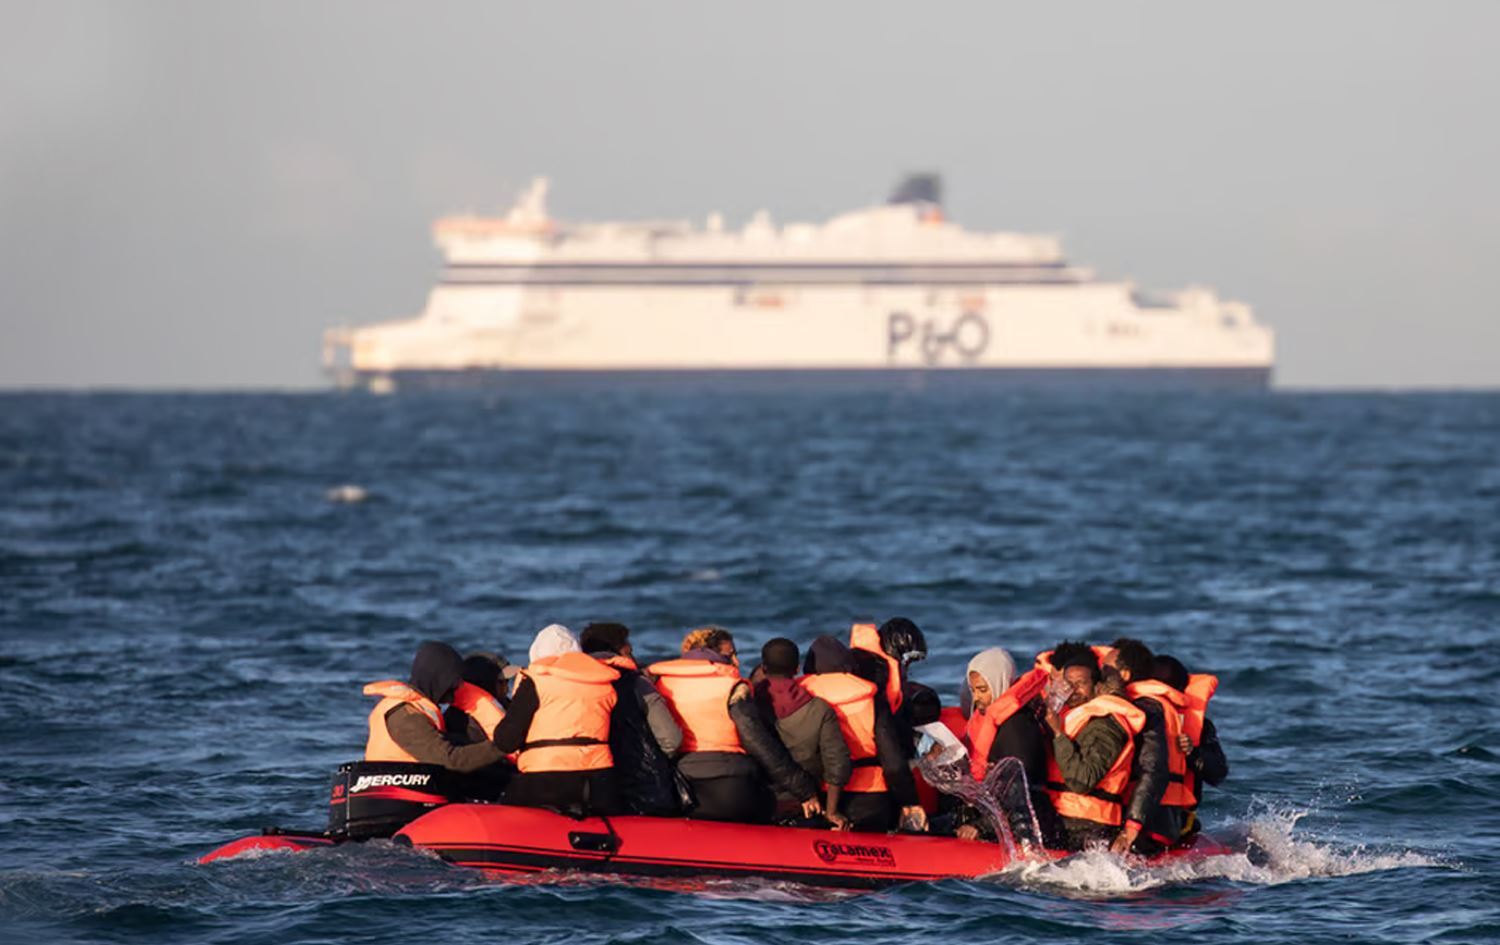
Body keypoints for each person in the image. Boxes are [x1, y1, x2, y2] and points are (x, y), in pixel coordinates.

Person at [649, 628, 819, 823]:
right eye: (730, 655)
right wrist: (804, 791)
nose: (736, 662)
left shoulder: (660, 683)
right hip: (733, 790)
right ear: (711, 654)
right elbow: (758, 743)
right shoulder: (732, 686)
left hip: (682, 791)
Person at [490, 626, 624, 816]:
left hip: (545, 783)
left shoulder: (536, 682)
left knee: (504, 804)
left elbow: (506, 741)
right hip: (599, 783)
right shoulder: (605, 682)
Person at [801, 635, 926, 833]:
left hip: (820, 796)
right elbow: (893, 763)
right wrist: (909, 803)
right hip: (871, 798)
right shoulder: (871, 699)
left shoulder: (801, 698)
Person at [1041, 641, 1146, 851]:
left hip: (1089, 828)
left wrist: (1059, 734)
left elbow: (1082, 780)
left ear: (1097, 687)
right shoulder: (1072, 717)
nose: (1073, 691)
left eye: (1081, 684)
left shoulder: (1107, 725)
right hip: (1065, 820)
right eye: (1068, 684)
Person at [953, 648, 1059, 845]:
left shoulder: (1017, 726)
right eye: (973, 690)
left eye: (982, 690)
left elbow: (1020, 793)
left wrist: (980, 826)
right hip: (999, 817)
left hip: (1028, 827)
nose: (976, 698)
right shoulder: (991, 721)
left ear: (999, 682)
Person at [579, 621, 685, 816]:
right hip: (643, 792)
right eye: (630, 652)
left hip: (590, 792)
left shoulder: (572, 684)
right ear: (619, 651)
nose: (634, 658)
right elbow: (672, 740)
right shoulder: (638, 684)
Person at [362, 640, 508, 772]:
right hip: (395, 785)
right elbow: (450, 760)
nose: (457, 690)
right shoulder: (405, 714)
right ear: (438, 680)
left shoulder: (421, 709)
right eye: (453, 684)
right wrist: (505, 744)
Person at [753, 637, 852, 829]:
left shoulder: (747, 706)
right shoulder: (820, 709)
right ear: (797, 669)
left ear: (763, 669)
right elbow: (838, 763)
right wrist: (831, 811)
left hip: (759, 801)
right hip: (807, 804)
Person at [1104, 637, 1177, 855]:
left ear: (1125, 674)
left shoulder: (1147, 709)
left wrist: (1132, 826)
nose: (1100, 673)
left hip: (1150, 824)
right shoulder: (1128, 705)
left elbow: (1153, 767)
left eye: (1106, 669)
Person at [1155, 654, 1228, 842]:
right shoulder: (1128, 717)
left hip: (1176, 823)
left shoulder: (1199, 727)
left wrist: (1192, 753)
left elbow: (1218, 772)